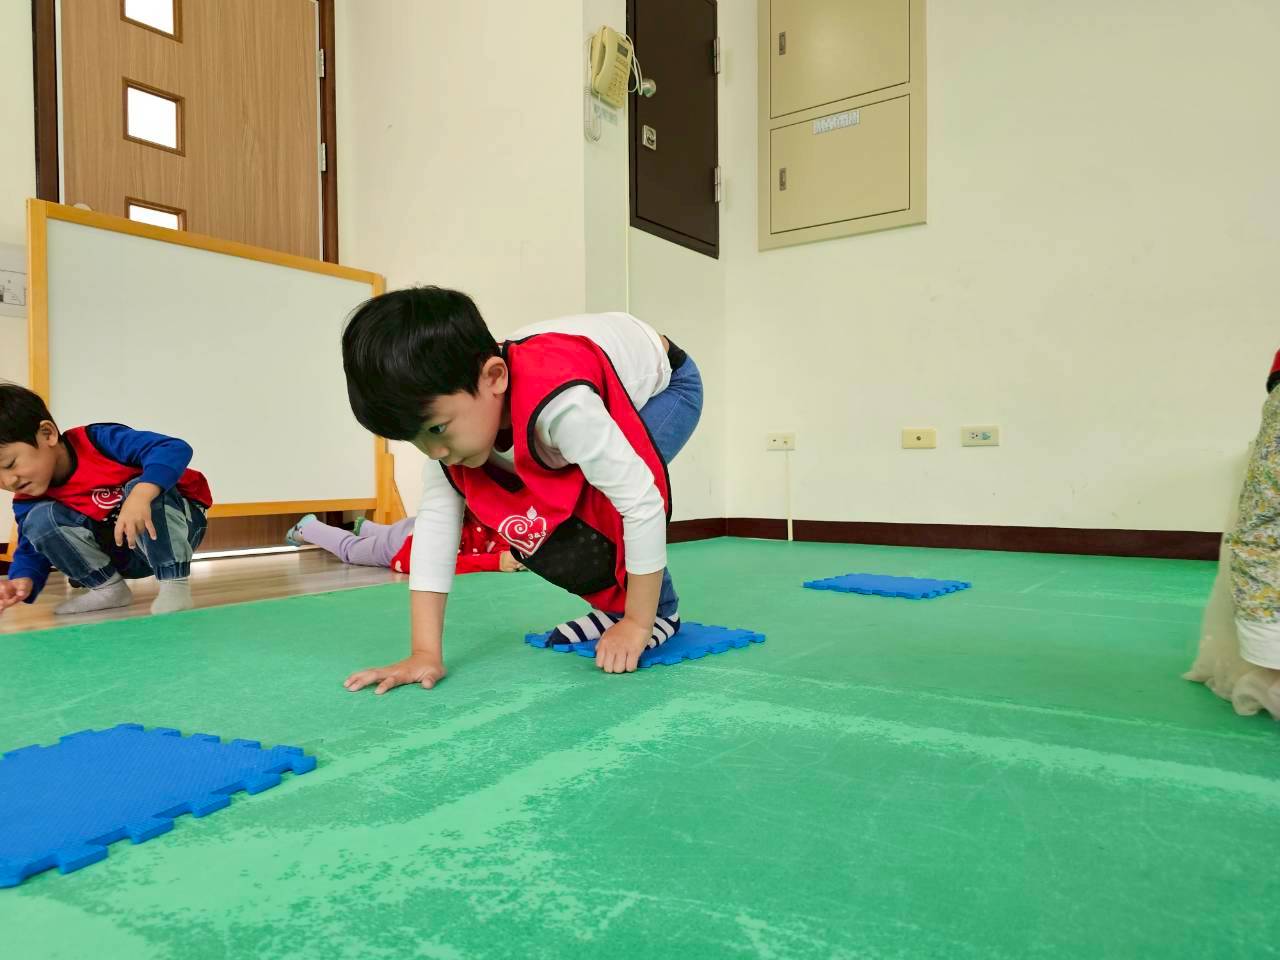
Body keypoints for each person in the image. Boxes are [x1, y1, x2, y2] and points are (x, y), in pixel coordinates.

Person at [339, 286, 703, 692]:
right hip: (593, 385)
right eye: (415, 439)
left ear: (494, 378)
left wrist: (637, 623)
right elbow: (434, 532)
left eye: (438, 429)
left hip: (667, 386)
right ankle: (617, 607)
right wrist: (424, 652)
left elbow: (641, 501)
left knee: (599, 502)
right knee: (532, 522)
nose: (434, 451)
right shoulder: (452, 431)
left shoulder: (562, 404)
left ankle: (656, 612)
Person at [0, 383, 211, 617]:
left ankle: (174, 583)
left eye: (10, 464)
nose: (8, 481)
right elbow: (31, 547)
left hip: (176, 530)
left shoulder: (99, 440)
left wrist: (142, 493)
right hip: (121, 551)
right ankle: (108, 589)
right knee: (38, 519)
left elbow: (172, 447)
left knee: (139, 486)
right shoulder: (28, 500)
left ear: (47, 434)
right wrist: (22, 578)